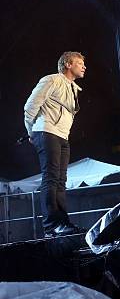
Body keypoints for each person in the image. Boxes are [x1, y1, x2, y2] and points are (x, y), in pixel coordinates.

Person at [24, 51, 86, 237]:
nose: (84, 67)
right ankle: (52, 226)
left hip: (62, 136)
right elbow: (30, 106)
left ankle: (63, 223)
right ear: (68, 64)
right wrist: (32, 132)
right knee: (51, 179)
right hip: (46, 132)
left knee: (60, 181)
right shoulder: (51, 80)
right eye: (79, 63)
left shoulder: (73, 88)